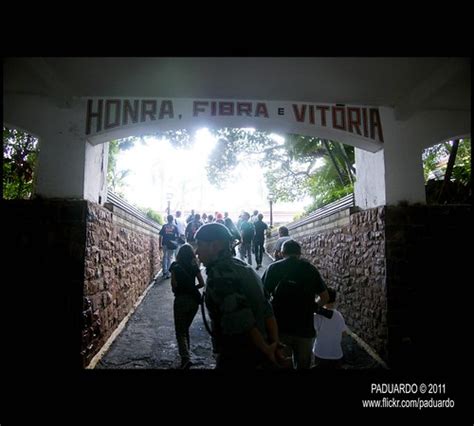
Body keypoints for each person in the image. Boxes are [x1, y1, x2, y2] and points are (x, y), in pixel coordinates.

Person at [195, 223, 283, 369]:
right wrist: (275, 343)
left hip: (238, 354)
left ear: (215, 246)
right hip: (259, 352)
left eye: (200, 245)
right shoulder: (244, 267)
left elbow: (242, 318)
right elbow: (267, 309)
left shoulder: (219, 275)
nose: (197, 252)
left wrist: (267, 349)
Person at [262, 239, 329, 369]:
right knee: (303, 365)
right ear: (299, 254)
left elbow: (262, 297)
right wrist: (313, 307)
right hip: (305, 328)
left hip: (280, 328)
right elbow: (324, 297)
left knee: (282, 363)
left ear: (282, 253)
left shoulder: (274, 268)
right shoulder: (310, 269)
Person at [169, 244, 205, 369]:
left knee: (180, 331)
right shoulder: (194, 265)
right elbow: (201, 283)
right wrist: (192, 288)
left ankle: (185, 358)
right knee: (185, 328)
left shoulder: (175, 266)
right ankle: (186, 352)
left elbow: (173, 285)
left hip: (180, 300)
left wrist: (180, 290)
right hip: (194, 301)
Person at [312, 287, 347, 369]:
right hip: (336, 354)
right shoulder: (339, 315)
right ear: (334, 300)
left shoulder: (317, 316)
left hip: (320, 353)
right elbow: (344, 333)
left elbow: (313, 332)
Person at [159, 214, 179, 279]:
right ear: (172, 219)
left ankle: (164, 271)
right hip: (172, 244)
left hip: (164, 243)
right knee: (169, 258)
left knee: (165, 256)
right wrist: (175, 243)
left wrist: (160, 244)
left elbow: (161, 236)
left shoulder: (164, 226)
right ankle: (168, 272)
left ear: (167, 219)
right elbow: (177, 236)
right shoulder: (175, 226)